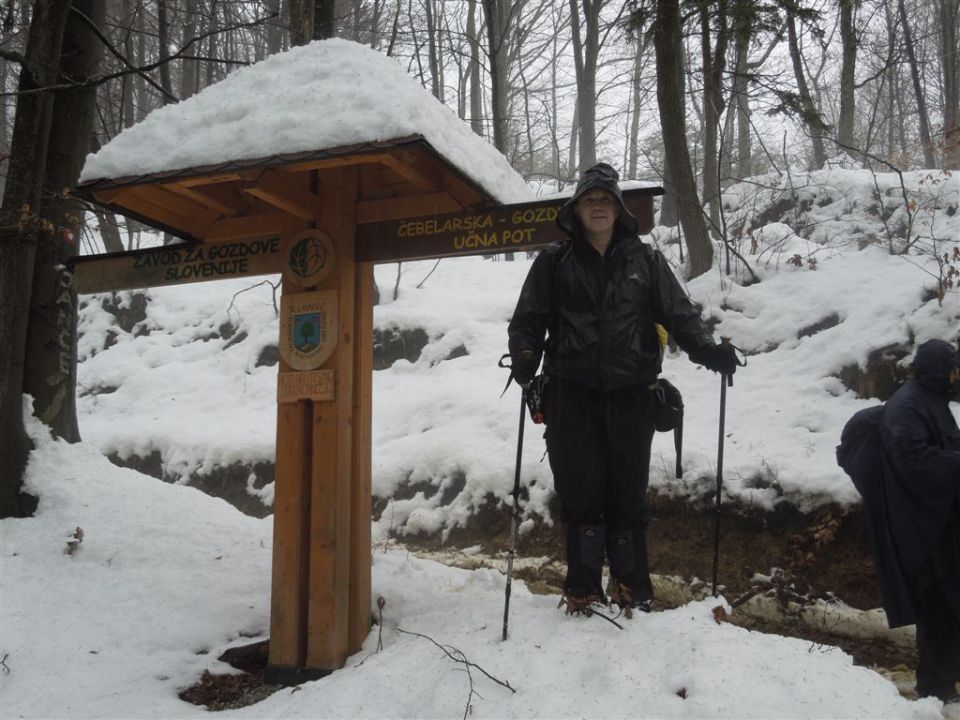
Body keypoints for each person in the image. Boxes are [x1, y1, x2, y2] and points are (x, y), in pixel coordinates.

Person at [507, 163, 739, 615]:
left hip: (632, 396)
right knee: (581, 495)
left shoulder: (646, 262)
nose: (598, 207)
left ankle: (634, 589)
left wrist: (709, 351)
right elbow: (527, 320)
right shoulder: (553, 262)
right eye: (590, 200)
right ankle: (583, 590)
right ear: (576, 210)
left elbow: (680, 315)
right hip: (570, 396)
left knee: (627, 496)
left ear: (618, 210)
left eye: (606, 201)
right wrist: (523, 356)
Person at [840, 339, 960, 703]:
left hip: (938, 521)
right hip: (921, 528)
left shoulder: (930, 399)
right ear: (939, 369)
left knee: (948, 604)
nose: (957, 374)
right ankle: (935, 691)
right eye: (954, 367)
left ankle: (944, 683)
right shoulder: (908, 406)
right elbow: (912, 458)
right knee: (938, 607)